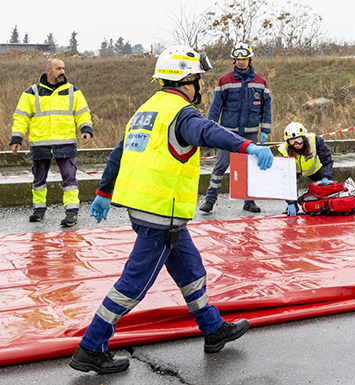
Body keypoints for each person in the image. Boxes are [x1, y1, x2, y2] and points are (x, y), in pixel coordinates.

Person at [69, 46, 274, 374]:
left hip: (152, 210)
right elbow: (208, 131)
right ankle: (91, 347)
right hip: (161, 215)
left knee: (191, 271)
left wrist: (104, 192)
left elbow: (119, 154)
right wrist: (247, 146)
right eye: (199, 79)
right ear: (186, 80)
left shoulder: (146, 110)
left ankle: (213, 329)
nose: (202, 85)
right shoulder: (183, 113)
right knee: (133, 284)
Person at [10, 58, 93, 227]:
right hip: (40, 143)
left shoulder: (73, 91)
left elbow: (82, 113)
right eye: (58, 68)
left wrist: (86, 129)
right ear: (48, 71)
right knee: (39, 179)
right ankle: (39, 210)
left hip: (65, 143)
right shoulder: (31, 92)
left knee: (70, 178)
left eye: (63, 68)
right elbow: (21, 117)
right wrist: (16, 138)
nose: (62, 71)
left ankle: (72, 212)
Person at [200, 42, 272, 214]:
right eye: (238, 59)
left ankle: (249, 202)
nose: (241, 62)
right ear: (234, 60)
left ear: (249, 59)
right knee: (220, 166)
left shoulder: (261, 82)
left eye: (244, 59)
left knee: (249, 168)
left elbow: (266, 107)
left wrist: (265, 130)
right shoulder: (224, 81)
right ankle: (209, 200)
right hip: (228, 133)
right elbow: (215, 107)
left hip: (250, 132)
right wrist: (210, 130)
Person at [277, 121, 334, 216]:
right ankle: (294, 204)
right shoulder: (284, 151)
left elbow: (327, 159)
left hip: (315, 169)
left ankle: (309, 199)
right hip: (295, 172)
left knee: (327, 191)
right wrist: (291, 202)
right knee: (290, 189)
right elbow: (286, 179)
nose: (296, 144)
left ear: (304, 137)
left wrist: (326, 177)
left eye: (299, 140)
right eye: (292, 141)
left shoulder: (315, 140)